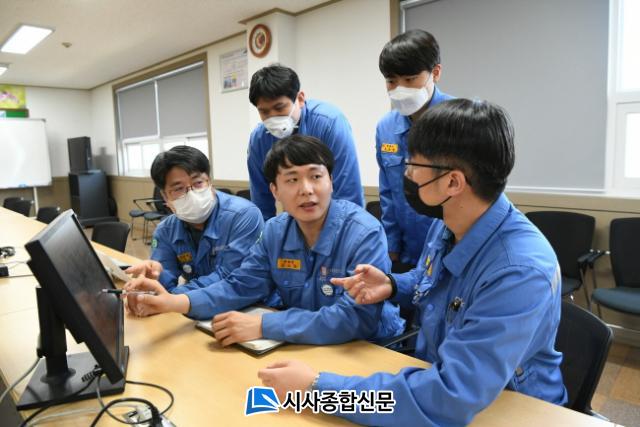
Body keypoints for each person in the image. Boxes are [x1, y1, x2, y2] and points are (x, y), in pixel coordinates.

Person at [257, 99, 567, 426]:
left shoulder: (518, 270)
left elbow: (449, 396)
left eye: (414, 164)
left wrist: (318, 389)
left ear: (453, 182)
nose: (406, 174)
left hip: (511, 411)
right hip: (435, 381)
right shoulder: (450, 222)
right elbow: (431, 283)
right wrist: (392, 285)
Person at [125, 135, 404, 346]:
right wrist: (175, 302)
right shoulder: (275, 232)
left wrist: (264, 325)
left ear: (331, 181)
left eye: (316, 176)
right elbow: (240, 285)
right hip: (301, 343)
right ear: (275, 191)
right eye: (292, 180)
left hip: (369, 348)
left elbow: (354, 319)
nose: (307, 190)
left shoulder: (363, 232)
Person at [125, 146, 264, 296]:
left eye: (198, 183)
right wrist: (154, 277)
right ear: (165, 196)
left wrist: (176, 298)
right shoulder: (166, 230)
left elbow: (232, 278)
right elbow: (163, 279)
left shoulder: (243, 215)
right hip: (199, 304)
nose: (191, 194)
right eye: (178, 188)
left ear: (209, 182)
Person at [376, 29, 454, 270]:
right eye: (392, 81)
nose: (400, 89)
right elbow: (388, 193)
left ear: (436, 73)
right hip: (406, 252)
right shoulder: (386, 127)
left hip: (451, 248)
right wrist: (391, 244)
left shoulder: (459, 121)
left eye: (410, 79)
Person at [247, 64, 364, 220]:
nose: (273, 117)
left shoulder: (329, 123)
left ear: (300, 99)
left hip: (336, 218)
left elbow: (348, 193)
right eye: (264, 112)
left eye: (279, 108)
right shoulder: (259, 140)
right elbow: (261, 203)